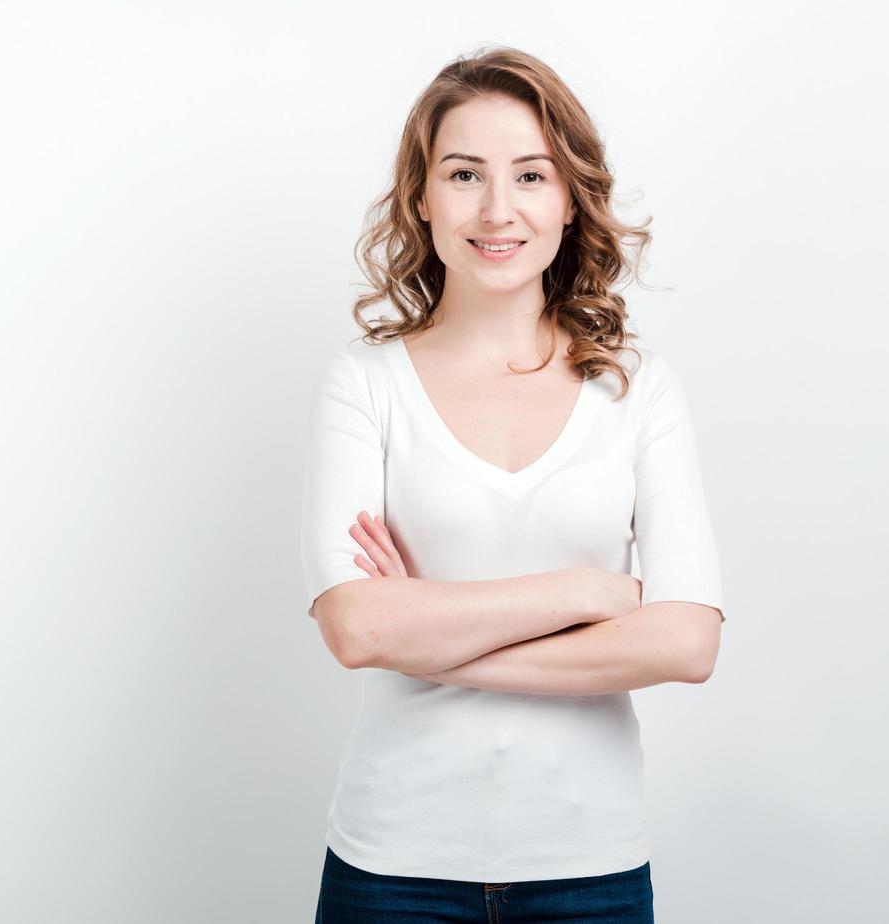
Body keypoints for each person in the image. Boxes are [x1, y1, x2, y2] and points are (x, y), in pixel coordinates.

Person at [298, 46, 726, 923]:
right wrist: (586, 593)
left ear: (569, 199)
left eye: (530, 175)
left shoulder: (638, 391)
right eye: (464, 174)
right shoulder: (365, 382)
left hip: (591, 870)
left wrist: (429, 634)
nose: (498, 209)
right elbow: (354, 626)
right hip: (393, 867)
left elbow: (684, 645)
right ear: (422, 197)